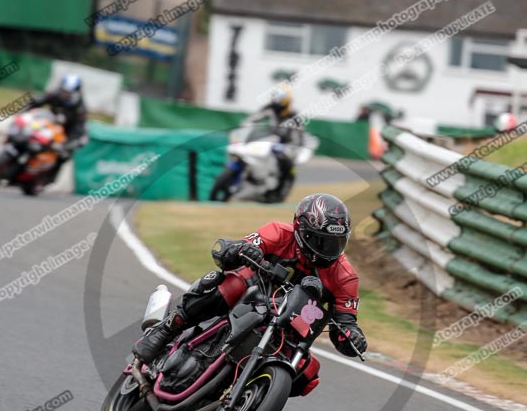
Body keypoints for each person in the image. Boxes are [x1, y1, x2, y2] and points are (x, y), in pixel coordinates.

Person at [133, 193, 367, 364]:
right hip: (254, 296)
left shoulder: (345, 276)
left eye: (336, 243)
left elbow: (345, 324)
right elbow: (228, 251)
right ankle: (166, 329)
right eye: (319, 240)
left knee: (308, 370)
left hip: (291, 323)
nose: (327, 250)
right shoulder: (277, 232)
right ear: (301, 229)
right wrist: (244, 250)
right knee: (230, 282)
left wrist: (352, 338)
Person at [245, 84, 302, 199]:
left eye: (279, 98)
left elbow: (299, 133)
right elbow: (253, 119)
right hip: (269, 139)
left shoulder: (293, 115)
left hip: (285, 144)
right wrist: (246, 126)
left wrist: (295, 146)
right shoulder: (269, 109)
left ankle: (276, 187)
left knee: (286, 161)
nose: (276, 101)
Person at [28, 73, 88, 177]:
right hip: (50, 127)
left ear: (76, 93)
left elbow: (78, 129)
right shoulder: (54, 94)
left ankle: (49, 176)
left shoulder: (80, 109)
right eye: (64, 91)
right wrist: (25, 110)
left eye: (69, 93)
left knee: (63, 155)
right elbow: (37, 101)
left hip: (67, 134)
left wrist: (67, 145)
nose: (65, 95)